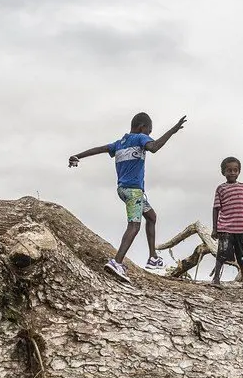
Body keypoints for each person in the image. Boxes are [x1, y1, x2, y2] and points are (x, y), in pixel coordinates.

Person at [68, 112, 186, 283]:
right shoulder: (140, 138)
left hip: (123, 189)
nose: (149, 136)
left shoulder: (119, 143)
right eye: (149, 132)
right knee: (134, 226)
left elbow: (99, 149)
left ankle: (153, 257)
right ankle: (116, 262)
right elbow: (154, 147)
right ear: (142, 128)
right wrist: (173, 130)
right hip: (133, 192)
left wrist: (77, 155)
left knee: (151, 217)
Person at [211, 157, 243, 289]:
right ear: (223, 172)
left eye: (235, 170)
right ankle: (216, 279)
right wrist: (214, 228)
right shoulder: (221, 189)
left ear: (239, 171)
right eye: (229, 170)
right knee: (222, 253)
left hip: (240, 229)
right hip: (225, 227)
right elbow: (216, 208)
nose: (232, 173)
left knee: (242, 255)